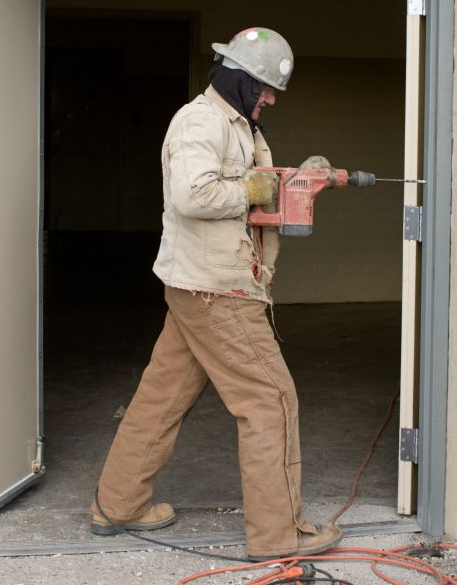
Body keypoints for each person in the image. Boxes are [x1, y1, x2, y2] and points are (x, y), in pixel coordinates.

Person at [91, 27, 343, 561]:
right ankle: (279, 535)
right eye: (267, 88)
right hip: (218, 291)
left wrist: (298, 178)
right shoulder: (200, 121)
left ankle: (118, 504)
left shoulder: (242, 126)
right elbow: (194, 193)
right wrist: (259, 188)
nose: (272, 98)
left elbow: (256, 184)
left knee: (161, 399)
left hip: (197, 286)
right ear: (240, 79)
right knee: (270, 402)